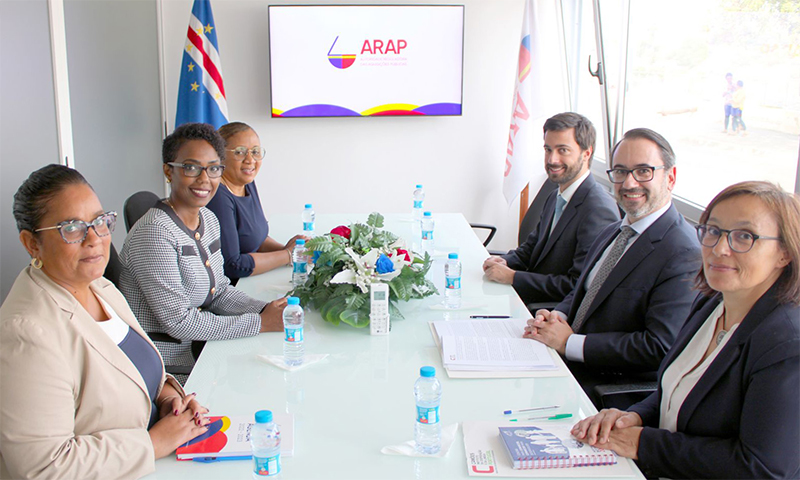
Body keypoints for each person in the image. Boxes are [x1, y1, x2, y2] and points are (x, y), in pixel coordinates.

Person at [571, 181, 799, 479]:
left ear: (784, 252)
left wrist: (643, 443)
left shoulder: (787, 344)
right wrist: (634, 417)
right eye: (713, 231)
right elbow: (675, 391)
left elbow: (761, 467)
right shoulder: (711, 303)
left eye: (744, 236)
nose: (719, 248)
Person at [1, 164, 209, 479]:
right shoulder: (27, 333)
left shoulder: (100, 286)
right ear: (32, 243)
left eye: (100, 221)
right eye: (71, 228)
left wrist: (168, 398)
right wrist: (152, 444)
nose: (95, 238)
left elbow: (133, 368)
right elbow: (41, 467)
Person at [524, 128, 702, 409]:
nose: (629, 183)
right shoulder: (614, 231)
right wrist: (557, 315)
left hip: (605, 392)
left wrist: (571, 343)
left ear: (671, 177)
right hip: (561, 366)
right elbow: (585, 291)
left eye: (643, 171)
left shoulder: (683, 251)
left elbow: (659, 346)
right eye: (620, 171)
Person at [119, 123, 286, 382]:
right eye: (191, 167)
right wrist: (261, 323)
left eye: (213, 168)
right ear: (168, 171)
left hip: (203, 349)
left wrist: (268, 310)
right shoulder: (155, 232)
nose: (204, 179)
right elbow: (178, 321)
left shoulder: (207, 219)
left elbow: (218, 292)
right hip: (169, 370)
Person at [483, 113, 619, 305]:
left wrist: (513, 277)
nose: (552, 159)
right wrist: (505, 261)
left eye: (563, 150)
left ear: (586, 153)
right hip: (526, 297)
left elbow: (577, 285)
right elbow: (531, 249)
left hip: (550, 314)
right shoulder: (556, 193)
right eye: (548, 149)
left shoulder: (598, 210)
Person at [207, 121, 306, 286]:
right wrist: (287, 255)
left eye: (255, 152)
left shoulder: (246, 182)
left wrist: (292, 252)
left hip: (254, 279)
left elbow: (255, 239)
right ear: (219, 155)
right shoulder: (218, 197)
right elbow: (233, 265)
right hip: (232, 289)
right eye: (240, 152)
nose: (250, 160)